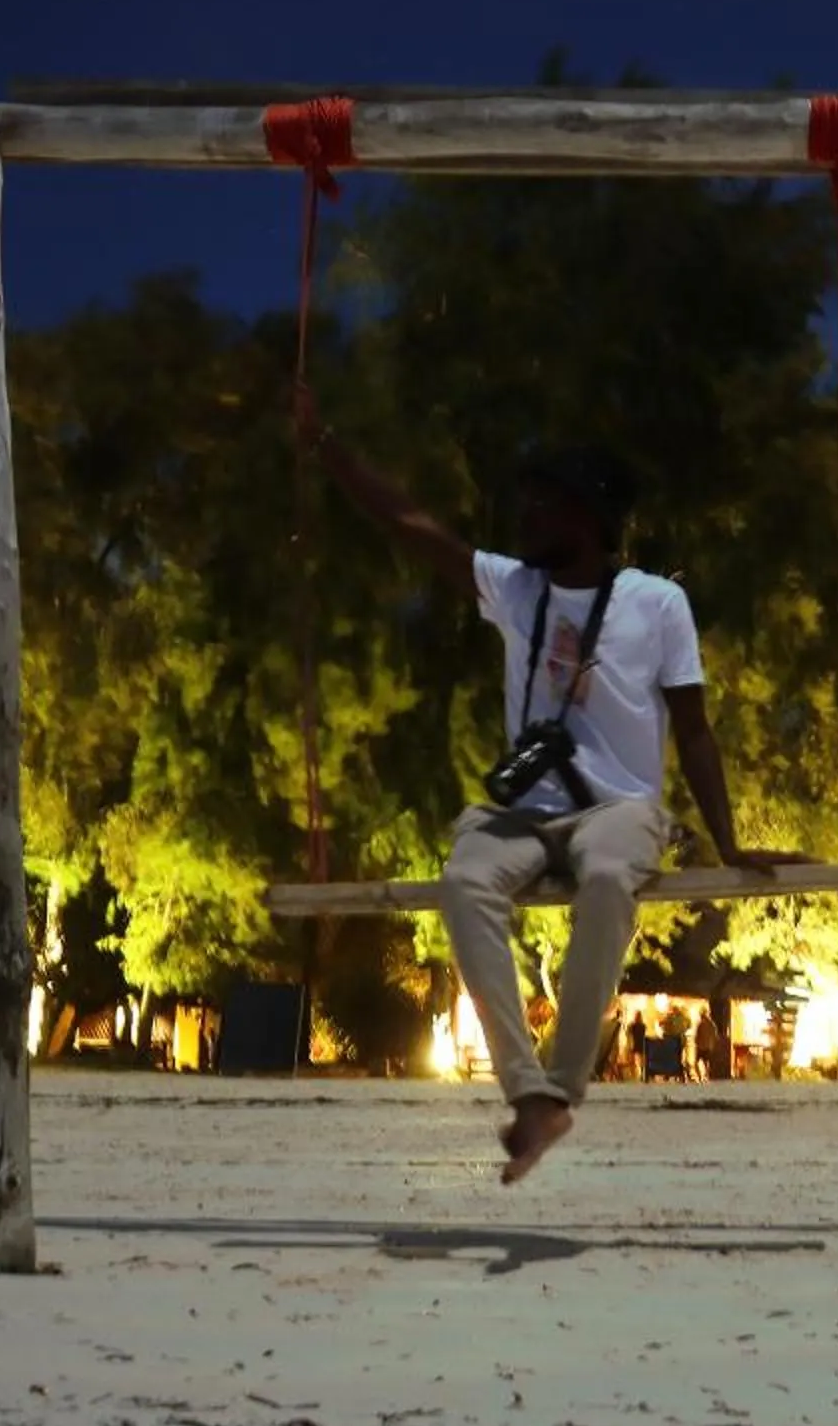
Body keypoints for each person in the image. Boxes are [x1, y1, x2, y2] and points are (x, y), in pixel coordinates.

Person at [295, 390, 801, 1182]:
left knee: (606, 881)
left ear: (589, 517)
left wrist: (730, 843)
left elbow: (695, 730)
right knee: (464, 882)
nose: (524, 515)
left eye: (543, 503)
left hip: (620, 809)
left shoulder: (657, 604)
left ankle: (559, 1092)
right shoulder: (515, 589)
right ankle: (525, 1087)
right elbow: (410, 526)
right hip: (526, 814)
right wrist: (326, 445)